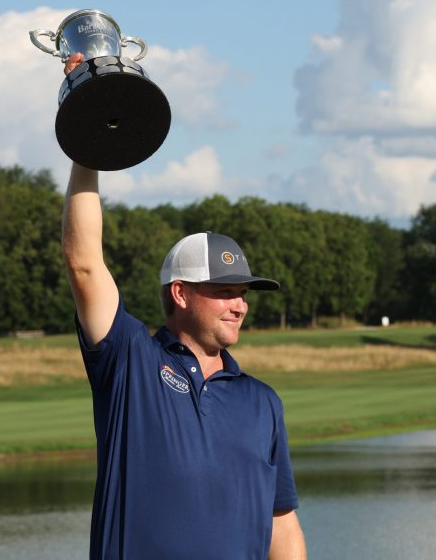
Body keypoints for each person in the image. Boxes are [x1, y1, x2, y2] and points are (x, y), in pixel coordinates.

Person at [63, 55, 306, 560]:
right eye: (224, 290)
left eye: (244, 293)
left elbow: (282, 524)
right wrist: (89, 131)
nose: (239, 305)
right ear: (181, 293)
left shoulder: (263, 403)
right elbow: (84, 263)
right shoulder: (130, 362)